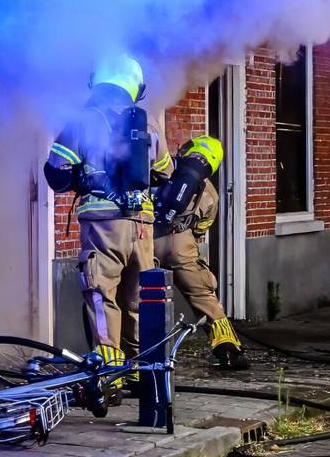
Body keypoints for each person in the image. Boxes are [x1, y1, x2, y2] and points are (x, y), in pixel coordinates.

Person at [43, 55, 174, 378]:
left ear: (97, 81)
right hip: (142, 228)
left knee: (102, 297)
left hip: (104, 226)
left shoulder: (84, 120)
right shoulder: (149, 123)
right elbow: (165, 173)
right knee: (138, 301)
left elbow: (55, 174)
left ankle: (109, 375)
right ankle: (141, 373)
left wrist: (85, 177)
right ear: (135, 88)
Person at [153, 135, 250, 370]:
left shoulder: (166, 170)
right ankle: (228, 350)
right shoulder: (211, 193)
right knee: (205, 298)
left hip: (148, 238)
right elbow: (201, 228)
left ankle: (136, 359)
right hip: (182, 244)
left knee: (137, 298)